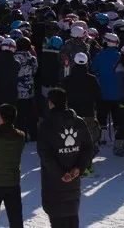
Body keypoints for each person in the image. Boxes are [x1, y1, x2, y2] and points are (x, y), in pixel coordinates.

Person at [38, 88, 93, 228]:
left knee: (57, 220)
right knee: (72, 218)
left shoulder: (47, 125)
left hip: (54, 182)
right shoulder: (79, 122)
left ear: (51, 103)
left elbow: (45, 155)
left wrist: (61, 174)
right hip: (73, 182)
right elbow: (88, 148)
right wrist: (79, 168)